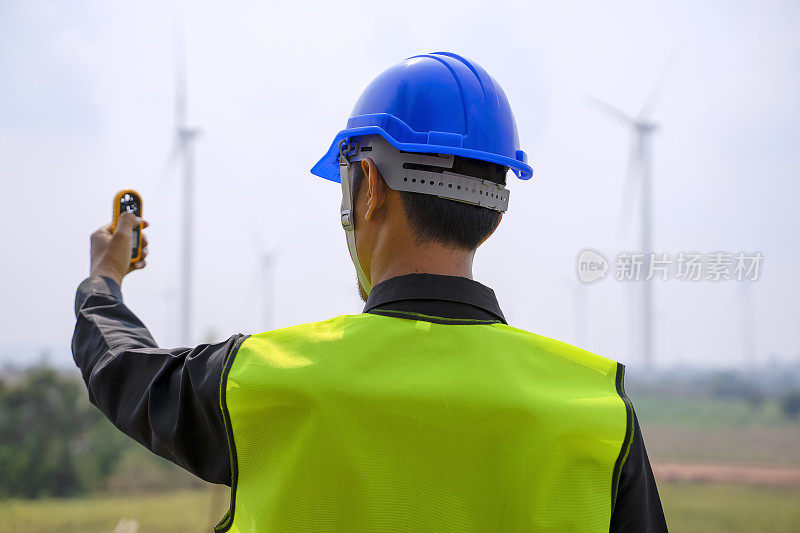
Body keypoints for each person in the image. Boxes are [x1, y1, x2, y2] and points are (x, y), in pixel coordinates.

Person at [73, 52, 667, 532]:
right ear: (497, 212)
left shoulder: (264, 380)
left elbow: (123, 371)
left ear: (370, 189)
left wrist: (105, 280)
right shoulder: (598, 410)